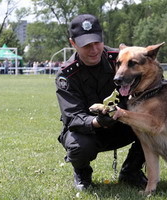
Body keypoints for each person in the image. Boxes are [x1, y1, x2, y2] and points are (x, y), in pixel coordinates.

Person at [55, 14, 147, 191]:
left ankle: (131, 171)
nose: (94, 49)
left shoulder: (120, 60)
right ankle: (82, 173)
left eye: (97, 42)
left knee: (152, 125)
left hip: (124, 125)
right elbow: (73, 118)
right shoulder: (67, 75)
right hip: (88, 132)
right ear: (73, 43)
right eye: (86, 45)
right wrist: (97, 122)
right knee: (77, 146)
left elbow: (150, 78)